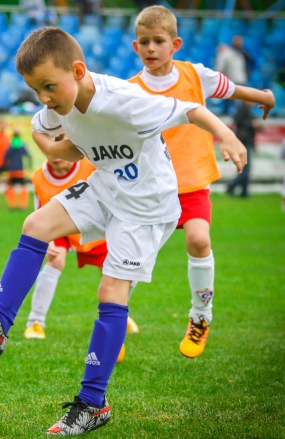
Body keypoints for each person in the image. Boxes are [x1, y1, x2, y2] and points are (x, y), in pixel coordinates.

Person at [0, 26, 246, 436]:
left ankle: (92, 404)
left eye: (49, 86)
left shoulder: (124, 101)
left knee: (110, 291)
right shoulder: (56, 102)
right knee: (36, 225)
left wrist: (228, 137)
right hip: (107, 186)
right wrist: (53, 147)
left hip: (147, 206)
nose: (45, 98)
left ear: (78, 70)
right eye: (37, 89)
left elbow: (190, 110)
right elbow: (41, 124)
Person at [130, 5, 274, 358]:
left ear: (175, 43)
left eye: (158, 41)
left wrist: (265, 97)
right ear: (135, 47)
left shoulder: (196, 76)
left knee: (198, 239)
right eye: (144, 42)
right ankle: (116, 321)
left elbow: (232, 89)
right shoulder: (130, 90)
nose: (151, 48)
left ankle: (200, 317)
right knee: (131, 256)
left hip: (192, 179)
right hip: (149, 187)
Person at [23, 150, 140, 362]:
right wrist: (48, 241)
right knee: (55, 258)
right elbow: (39, 212)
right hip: (62, 227)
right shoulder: (39, 177)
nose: (57, 152)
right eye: (51, 144)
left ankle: (121, 316)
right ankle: (35, 322)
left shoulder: (92, 163)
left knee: (123, 269)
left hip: (97, 228)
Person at [226, 101, 259, 198]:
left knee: (246, 168)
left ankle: (244, 192)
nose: (253, 103)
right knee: (246, 169)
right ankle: (231, 186)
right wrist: (251, 124)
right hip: (243, 142)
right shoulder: (241, 109)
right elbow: (237, 121)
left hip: (247, 142)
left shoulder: (248, 110)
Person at [214, 35, 252, 115]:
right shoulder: (226, 53)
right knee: (229, 99)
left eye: (240, 42)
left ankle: (240, 115)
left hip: (241, 79)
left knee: (240, 101)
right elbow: (220, 68)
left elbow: (250, 62)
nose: (240, 44)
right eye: (238, 42)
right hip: (230, 79)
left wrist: (247, 72)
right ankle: (226, 114)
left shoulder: (242, 53)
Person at [2, 127, 32, 210]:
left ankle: (12, 205)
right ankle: (22, 205)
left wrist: (5, 168)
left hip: (11, 170)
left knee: (11, 186)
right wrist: (29, 166)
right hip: (20, 169)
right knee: (23, 187)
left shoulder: (9, 145)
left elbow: (5, 157)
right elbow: (28, 155)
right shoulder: (22, 145)